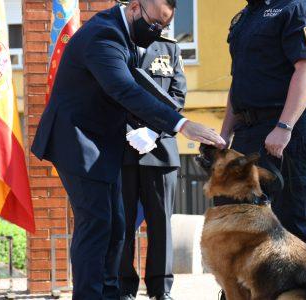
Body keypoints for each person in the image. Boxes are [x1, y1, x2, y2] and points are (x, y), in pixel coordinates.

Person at [31, 0, 225, 298]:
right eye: (155, 23)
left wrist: (159, 125)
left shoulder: (126, 33)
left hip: (102, 141)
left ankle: (108, 292)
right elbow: (124, 89)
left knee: (117, 223)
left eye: (164, 26)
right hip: (77, 140)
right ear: (135, 7)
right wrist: (181, 125)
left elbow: (147, 85)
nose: (157, 31)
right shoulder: (104, 35)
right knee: (96, 222)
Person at [219, 0, 306, 263]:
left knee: (293, 222)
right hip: (247, 129)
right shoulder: (247, 15)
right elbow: (239, 81)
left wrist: (284, 126)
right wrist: (225, 135)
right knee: (242, 221)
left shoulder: (298, 8)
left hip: (283, 129)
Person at [119, 36, 186, 300]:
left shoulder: (170, 48)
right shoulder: (120, 43)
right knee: (122, 222)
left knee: (160, 223)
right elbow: (109, 93)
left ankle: (160, 288)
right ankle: (124, 286)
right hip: (122, 147)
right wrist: (129, 130)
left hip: (160, 149)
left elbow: (177, 96)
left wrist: (153, 129)